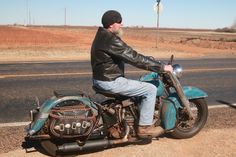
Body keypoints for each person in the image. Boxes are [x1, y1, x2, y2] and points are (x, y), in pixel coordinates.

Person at [90, 10, 173, 138]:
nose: (121, 24)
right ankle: (144, 127)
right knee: (150, 89)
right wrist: (161, 67)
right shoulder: (111, 40)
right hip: (110, 81)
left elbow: (127, 55)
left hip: (101, 79)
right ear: (111, 24)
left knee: (137, 86)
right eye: (119, 22)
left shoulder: (101, 35)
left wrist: (148, 60)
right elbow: (134, 58)